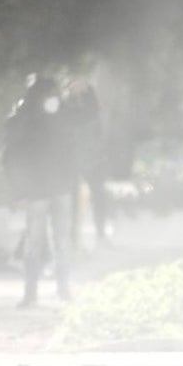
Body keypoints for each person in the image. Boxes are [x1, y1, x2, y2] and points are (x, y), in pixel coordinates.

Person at [3, 75, 78, 307]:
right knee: (60, 240)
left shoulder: (25, 117)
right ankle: (60, 291)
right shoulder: (62, 115)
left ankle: (33, 293)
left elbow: (12, 155)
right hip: (58, 186)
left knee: (37, 242)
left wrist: (18, 190)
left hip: (39, 188)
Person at [64, 78, 110, 247]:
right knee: (72, 198)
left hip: (93, 157)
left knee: (98, 195)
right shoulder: (68, 105)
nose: (76, 87)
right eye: (73, 84)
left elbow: (98, 127)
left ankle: (101, 235)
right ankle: (73, 237)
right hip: (74, 157)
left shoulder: (93, 104)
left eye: (79, 84)